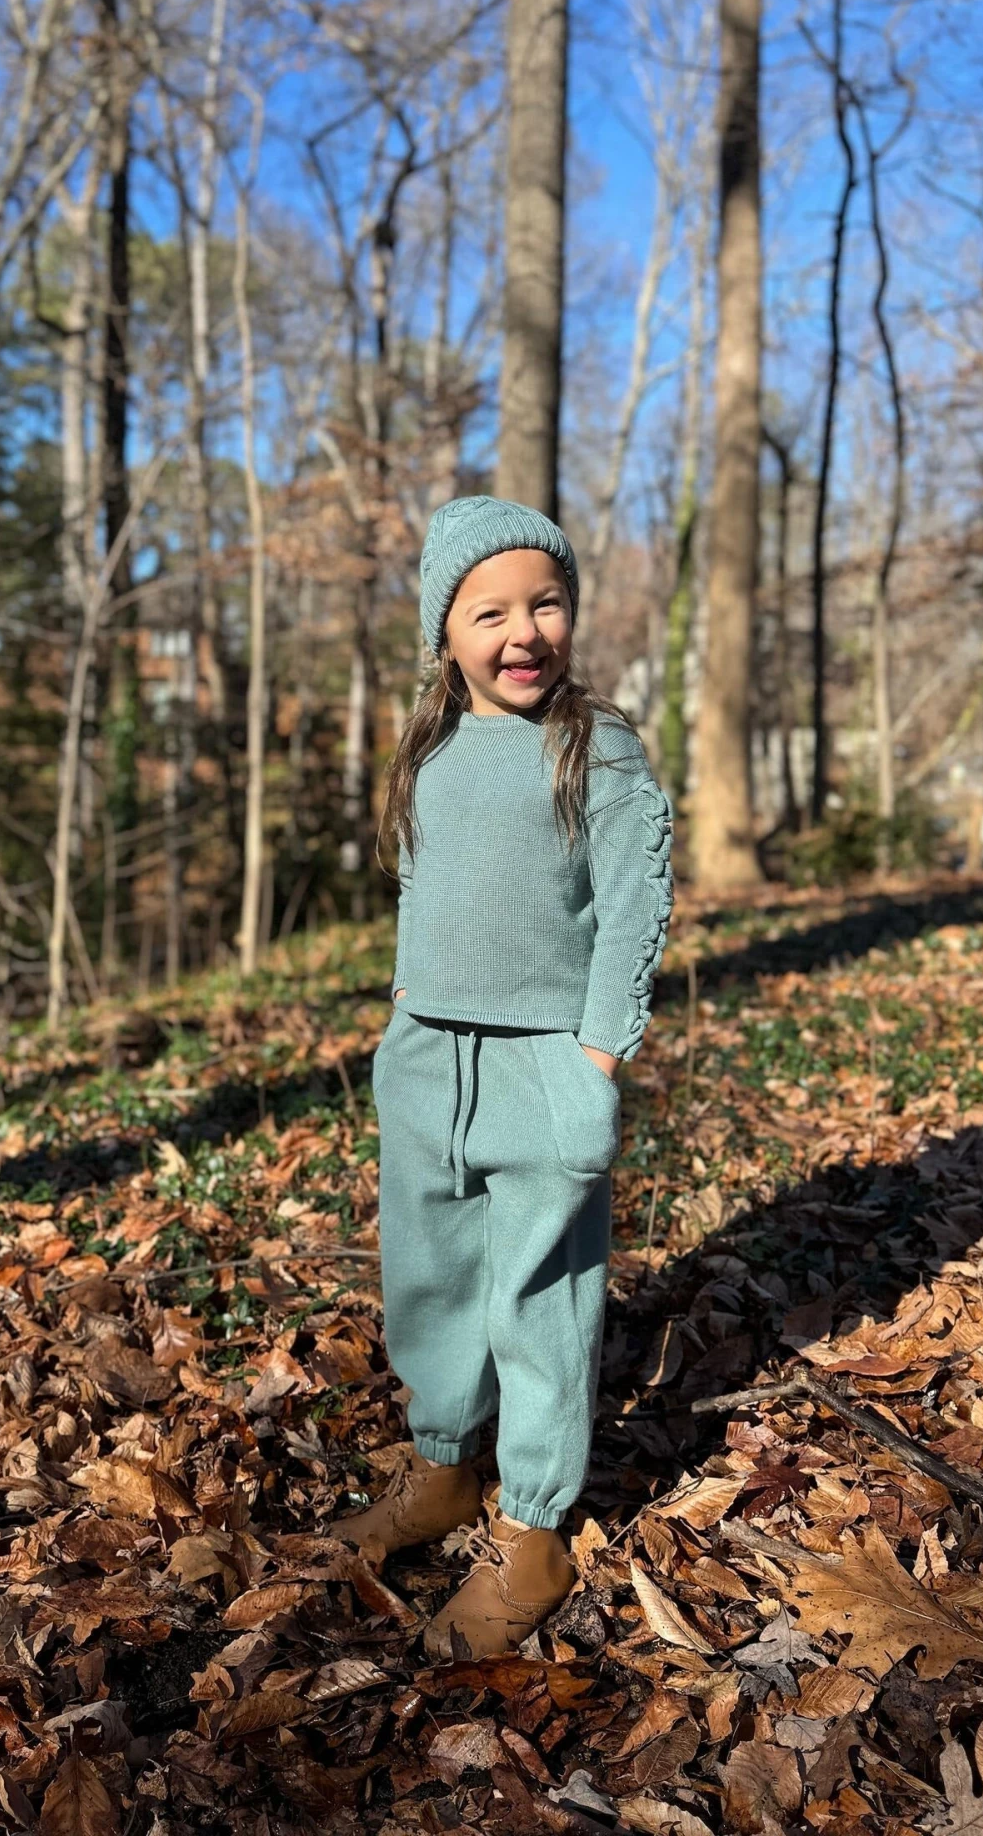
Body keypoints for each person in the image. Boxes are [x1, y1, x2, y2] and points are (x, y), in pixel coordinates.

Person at [326, 494, 674, 1660]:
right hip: (428, 1057)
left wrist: (595, 1058)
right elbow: (426, 886)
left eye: (547, 602)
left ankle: (532, 1525)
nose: (524, 630)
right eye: (491, 612)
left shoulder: (594, 747)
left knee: (539, 1298)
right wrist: (406, 1009)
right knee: (427, 1278)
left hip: (541, 1065)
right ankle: (442, 1467)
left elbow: (633, 910)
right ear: (446, 632)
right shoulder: (427, 748)